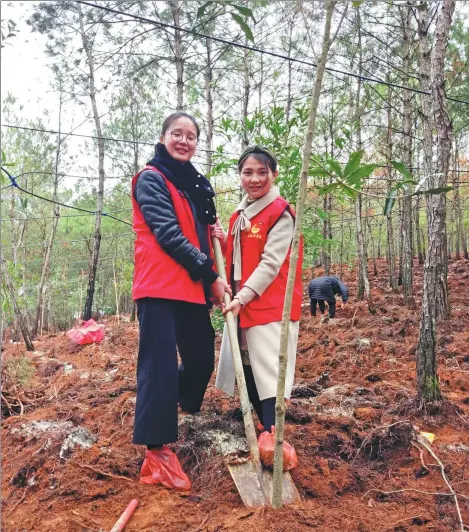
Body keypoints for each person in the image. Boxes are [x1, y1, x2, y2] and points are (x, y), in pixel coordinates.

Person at [131, 111, 231, 489]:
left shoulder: (194, 189)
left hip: (191, 288)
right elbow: (169, 235)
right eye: (177, 133)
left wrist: (211, 235)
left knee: (202, 357)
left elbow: (196, 235)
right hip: (158, 286)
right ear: (163, 136)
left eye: (191, 136)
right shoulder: (151, 179)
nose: (184, 141)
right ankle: (156, 454)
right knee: (158, 366)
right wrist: (212, 275)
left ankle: (177, 406)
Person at [213, 146, 302, 471]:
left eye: (262, 172)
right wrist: (223, 239)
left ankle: (272, 431)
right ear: (240, 177)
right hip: (242, 302)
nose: (254, 179)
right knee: (247, 361)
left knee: (271, 369)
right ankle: (260, 423)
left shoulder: (281, 212)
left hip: (269, 302)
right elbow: (237, 256)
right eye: (248, 173)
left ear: (274, 174)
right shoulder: (241, 214)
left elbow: (270, 263)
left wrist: (243, 296)